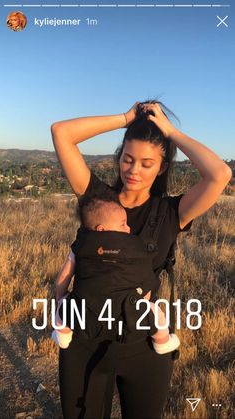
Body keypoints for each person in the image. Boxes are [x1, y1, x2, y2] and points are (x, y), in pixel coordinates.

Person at [51, 100, 231, 419]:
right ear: (119, 157)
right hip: (84, 340)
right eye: (128, 158)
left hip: (145, 345)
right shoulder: (97, 199)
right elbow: (61, 132)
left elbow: (219, 174)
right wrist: (125, 118)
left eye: (147, 163)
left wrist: (170, 132)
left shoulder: (171, 212)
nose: (133, 170)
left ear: (161, 167)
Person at [51, 193, 180, 355]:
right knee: (156, 313)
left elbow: (63, 278)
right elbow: (146, 281)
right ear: (102, 229)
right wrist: (142, 304)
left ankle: (63, 334)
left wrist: (60, 299)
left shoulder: (81, 246)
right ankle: (162, 342)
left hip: (85, 318)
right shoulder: (135, 249)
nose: (129, 228)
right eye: (123, 224)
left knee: (64, 306)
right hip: (128, 321)